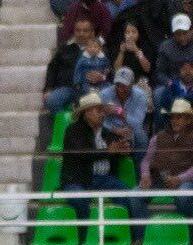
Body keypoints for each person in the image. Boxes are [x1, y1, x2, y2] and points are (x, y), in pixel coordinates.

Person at [61, 91, 149, 224]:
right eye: (98, 110)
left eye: (102, 110)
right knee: (79, 199)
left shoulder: (107, 133)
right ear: (87, 113)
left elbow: (114, 152)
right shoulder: (73, 130)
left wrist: (123, 151)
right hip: (78, 179)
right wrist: (109, 151)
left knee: (131, 198)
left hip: (105, 179)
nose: (102, 114)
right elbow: (83, 153)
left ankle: (137, 237)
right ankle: (84, 237)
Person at [141, 98, 193, 218]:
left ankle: (189, 234)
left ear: (188, 119)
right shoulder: (158, 137)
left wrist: (180, 178)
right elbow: (147, 160)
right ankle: (141, 235)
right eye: (172, 117)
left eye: (179, 117)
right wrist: (145, 175)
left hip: (187, 181)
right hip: (159, 179)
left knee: (183, 195)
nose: (174, 121)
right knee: (135, 196)